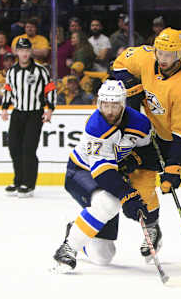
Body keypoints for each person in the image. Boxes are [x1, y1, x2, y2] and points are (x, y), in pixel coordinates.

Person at [52, 80, 161, 272]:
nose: (109, 111)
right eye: (105, 105)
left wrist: (134, 160)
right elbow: (103, 173)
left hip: (111, 175)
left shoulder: (140, 122)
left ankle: (78, 229)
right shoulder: (96, 126)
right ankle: (68, 248)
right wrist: (127, 195)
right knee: (109, 203)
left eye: (114, 106)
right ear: (99, 103)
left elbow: (148, 153)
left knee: (103, 256)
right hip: (81, 172)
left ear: (123, 105)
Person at [112, 27, 181, 205]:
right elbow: (118, 64)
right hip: (157, 133)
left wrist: (173, 166)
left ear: (180, 54)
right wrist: (131, 84)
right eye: (160, 53)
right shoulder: (145, 57)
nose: (163, 59)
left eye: (170, 54)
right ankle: (150, 221)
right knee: (140, 176)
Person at [1, 38, 56, 197]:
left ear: (30, 51)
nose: (24, 53)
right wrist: (5, 108)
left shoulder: (41, 70)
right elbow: (8, 90)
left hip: (34, 113)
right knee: (14, 147)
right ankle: (18, 181)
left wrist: (50, 109)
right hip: (17, 113)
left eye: (27, 50)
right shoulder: (12, 71)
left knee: (28, 149)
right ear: (16, 52)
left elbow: (50, 89)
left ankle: (28, 184)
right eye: (21, 50)